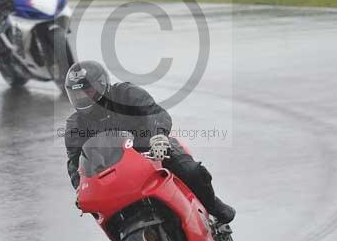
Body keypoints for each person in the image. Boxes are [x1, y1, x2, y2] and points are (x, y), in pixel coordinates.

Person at [64, 60, 235, 223]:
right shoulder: (75, 125)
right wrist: (80, 188)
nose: (83, 98)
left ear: (102, 85)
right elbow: (75, 161)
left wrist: (159, 136)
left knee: (191, 171)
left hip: (153, 149)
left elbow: (156, 113)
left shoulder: (126, 94)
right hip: (114, 169)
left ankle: (213, 206)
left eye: (88, 92)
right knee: (98, 207)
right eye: (77, 94)